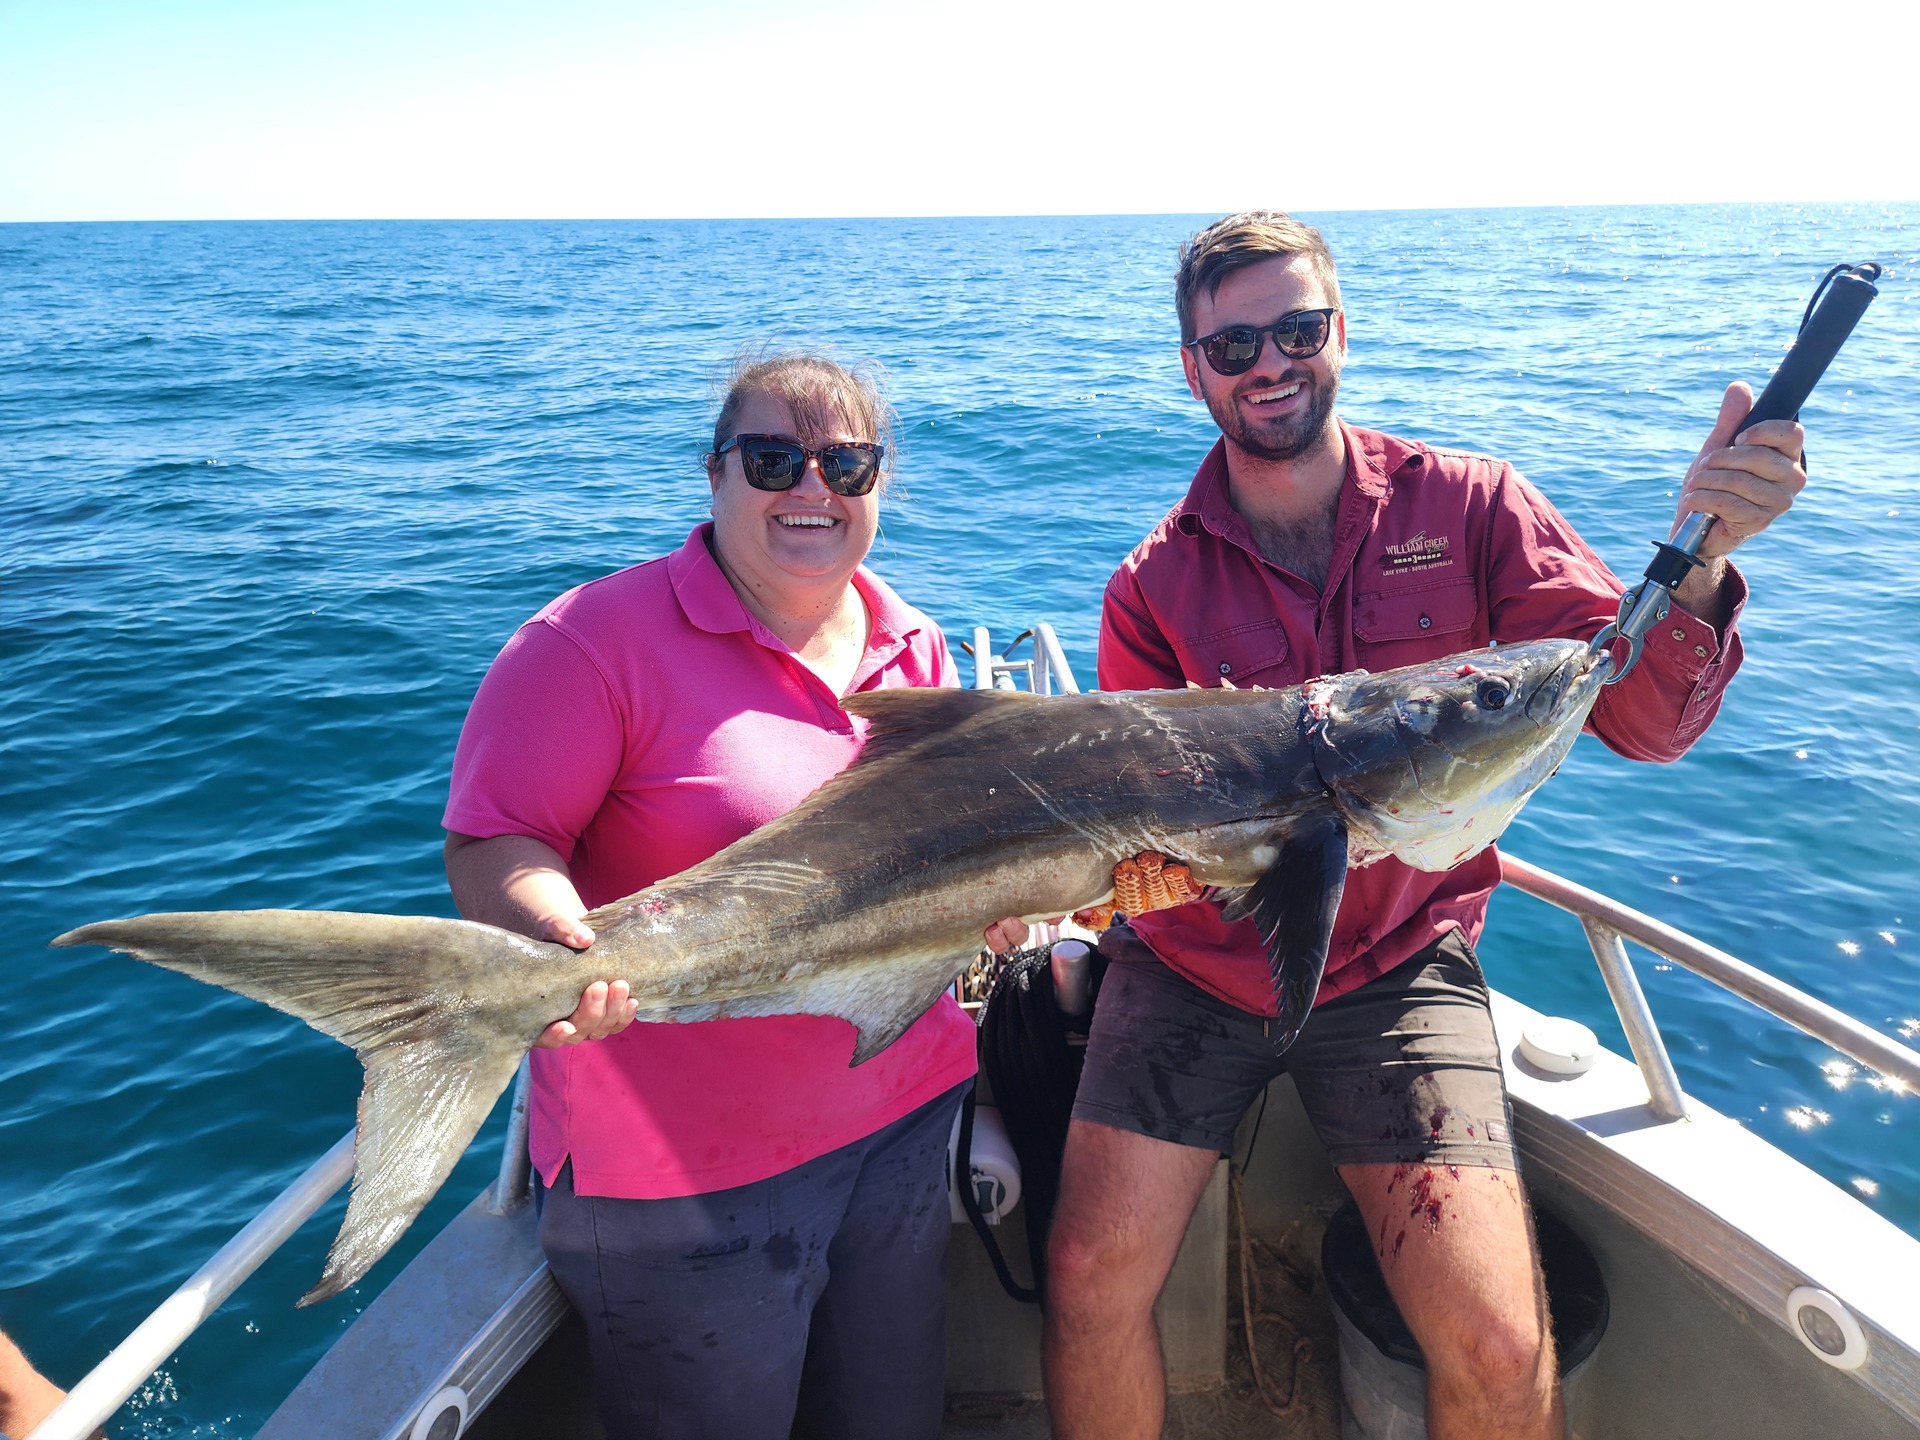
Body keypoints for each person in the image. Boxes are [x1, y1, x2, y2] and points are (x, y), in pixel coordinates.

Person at [1040, 211, 1807, 1440]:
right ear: (1193, 368)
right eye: (1232, 347)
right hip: (1191, 970)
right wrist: (1118, 887)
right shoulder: (1152, 585)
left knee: (1500, 1345)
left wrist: (1706, 559)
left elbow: (1641, 719)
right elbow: (1146, 837)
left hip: (1394, 967)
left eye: (1296, 329)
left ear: (1340, 331)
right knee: (1084, 1279)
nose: (1269, 363)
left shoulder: (1477, 506)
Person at [442, 353, 989, 1440]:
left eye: (846, 462)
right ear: (715, 474)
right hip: (681, 1174)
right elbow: (494, 839)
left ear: (882, 483)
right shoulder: (592, 642)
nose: (811, 489)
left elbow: (949, 877)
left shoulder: (915, 647)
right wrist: (557, 941)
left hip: (900, 1118)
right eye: (774, 459)